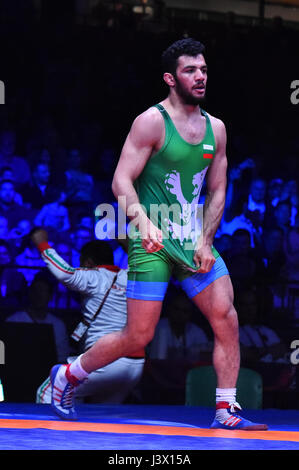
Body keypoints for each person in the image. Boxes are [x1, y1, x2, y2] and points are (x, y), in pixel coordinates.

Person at [48, 38, 267, 429]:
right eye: (189, 70)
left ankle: (226, 409)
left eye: (202, 69)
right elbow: (121, 180)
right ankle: (67, 376)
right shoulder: (151, 122)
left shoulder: (216, 129)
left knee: (227, 319)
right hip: (150, 244)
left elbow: (217, 189)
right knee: (137, 336)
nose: (199, 76)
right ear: (170, 78)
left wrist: (205, 240)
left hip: (192, 243)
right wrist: (143, 223)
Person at [31, 228, 145, 405]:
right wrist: (121, 237)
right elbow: (142, 260)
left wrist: (42, 244)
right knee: (103, 418)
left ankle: (49, 433)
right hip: (134, 366)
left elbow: (64, 272)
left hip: (105, 362)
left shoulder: (94, 277)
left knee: (48, 391)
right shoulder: (131, 277)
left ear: (88, 262)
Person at [6, 274, 70, 363]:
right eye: (35, 290)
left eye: (43, 291)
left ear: (50, 296)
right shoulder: (13, 320)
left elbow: (62, 356)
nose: (38, 295)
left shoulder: (58, 325)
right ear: (29, 293)